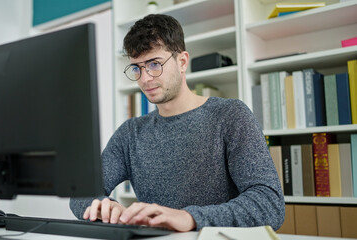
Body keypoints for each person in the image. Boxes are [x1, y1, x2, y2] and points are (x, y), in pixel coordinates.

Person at [70, 14, 285, 232]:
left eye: (154, 64)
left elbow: (269, 204)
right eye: (137, 68)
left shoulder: (230, 115)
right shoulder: (130, 133)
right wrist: (104, 206)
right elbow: (81, 194)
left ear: (182, 62)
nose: (145, 79)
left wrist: (190, 218)